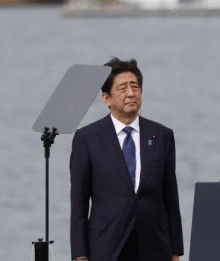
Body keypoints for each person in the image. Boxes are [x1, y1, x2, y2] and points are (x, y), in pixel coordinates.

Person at [70, 57, 184, 261]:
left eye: (136, 87)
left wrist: (175, 251)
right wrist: (80, 255)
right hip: (107, 245)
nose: (131, 93)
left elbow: (170, 198)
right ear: (106, 98)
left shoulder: (161, 135)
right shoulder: (87, 138)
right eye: (123, 88)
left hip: (155, 246)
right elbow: (79, 202)